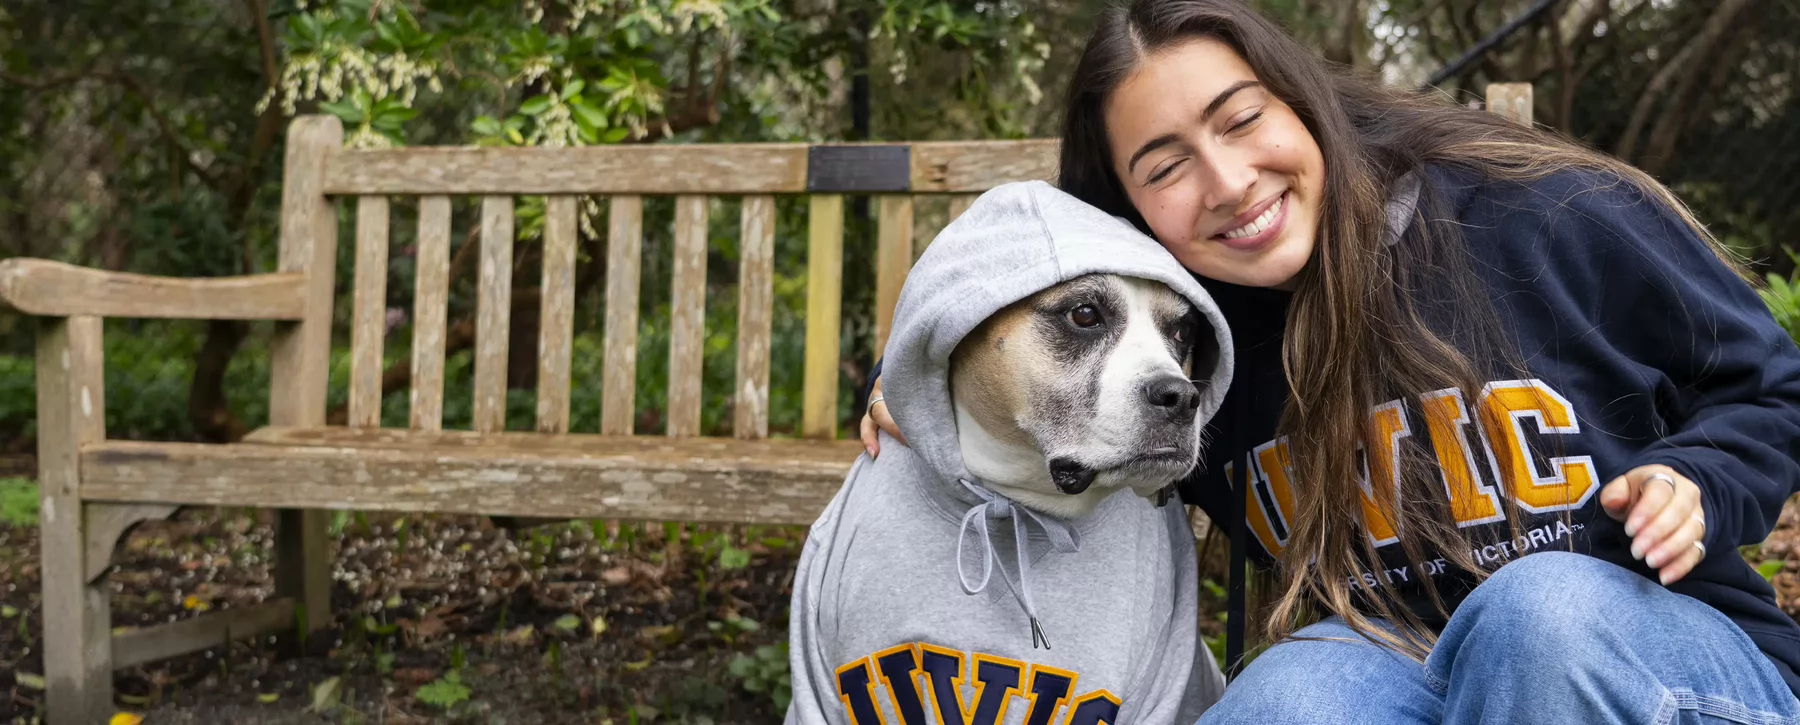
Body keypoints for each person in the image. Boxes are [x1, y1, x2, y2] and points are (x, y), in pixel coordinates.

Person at [858, 1, 1800, 722]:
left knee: (1536, 613)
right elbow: (1034, 386)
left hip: (1661, 660)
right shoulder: (1188, 348)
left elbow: (1770, 383)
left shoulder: (1544, 214)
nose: (1230, 183)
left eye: (1240, 119)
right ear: (1133, 215)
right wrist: (936, 383)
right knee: (1293, 695)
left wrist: (1703, 479)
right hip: (1400, 667)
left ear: (1301, 102)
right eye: (1165, 166)